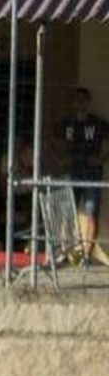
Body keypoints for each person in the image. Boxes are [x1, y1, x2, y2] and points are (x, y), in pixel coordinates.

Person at [58, 88, 108, 265]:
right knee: (67, 212)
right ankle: (65, 251)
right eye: (77, 99)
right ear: (73, 102)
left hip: (91, 174)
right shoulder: (66, 123)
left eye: (83, 99)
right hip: (72, 172)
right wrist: (61, 158)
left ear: (88, 102)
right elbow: (53, 141)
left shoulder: (98, 123)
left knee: (90, 212)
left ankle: (86, 254)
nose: (80, 103)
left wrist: (101, 159)